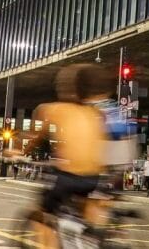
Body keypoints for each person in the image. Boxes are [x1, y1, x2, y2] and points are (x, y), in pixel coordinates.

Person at [23, 64, 109, 218]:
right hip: (93, 178)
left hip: (68, 178)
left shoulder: (58, 109)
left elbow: (38, 126)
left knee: (44, 212)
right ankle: (88, 235)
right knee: (81, 213)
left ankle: (46, 241)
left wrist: (21, 149)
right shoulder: (97, 114)